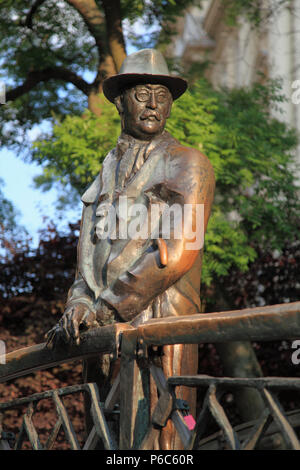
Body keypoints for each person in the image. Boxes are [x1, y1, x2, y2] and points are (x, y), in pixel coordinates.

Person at [46, 48, 215, 449]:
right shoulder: (101, 176)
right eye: (142, 94)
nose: (154, 103)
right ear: (120, 101)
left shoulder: (188, 164)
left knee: (158, 446)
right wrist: (79, 305)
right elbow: (85, 264)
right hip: (101, 348)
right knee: (101, 443)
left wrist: (103, 310)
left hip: (156, 336)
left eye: (162, 94)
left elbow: (176, 252)